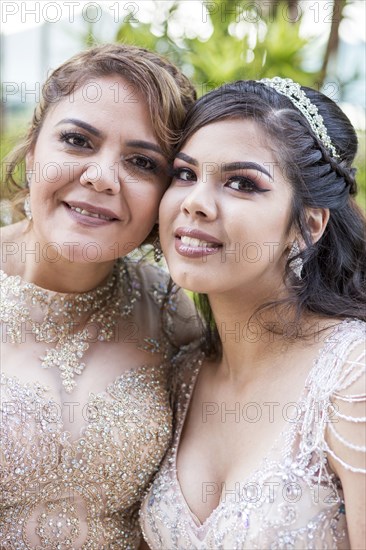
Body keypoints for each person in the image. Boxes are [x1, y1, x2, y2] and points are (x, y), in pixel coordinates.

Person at [140, 78, 366, 549]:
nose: (195, 204)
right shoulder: (181, 373)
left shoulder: (351, 377)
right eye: (184, 174)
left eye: (242, 183)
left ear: (308, 223)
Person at [0, 43, 197, 549]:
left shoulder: (173, 310)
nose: (101, 177)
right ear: (34, 144)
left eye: (141, 162)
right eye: (77, 141)